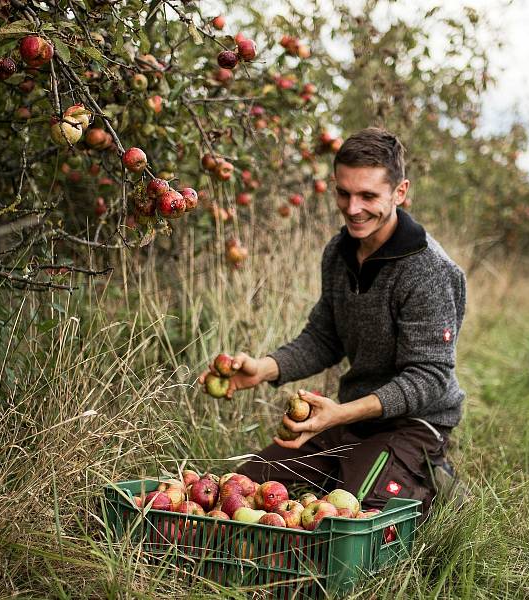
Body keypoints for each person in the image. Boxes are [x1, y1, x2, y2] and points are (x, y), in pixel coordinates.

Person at [198, 127, 467, 514]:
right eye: (344, 192)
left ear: (400, 192)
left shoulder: (428, 271)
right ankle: (354, 467)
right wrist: (263, 369)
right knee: (243, 490)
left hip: (414, 423)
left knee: (355, 516)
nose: (353, 208)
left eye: (368, 196)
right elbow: (324, 337)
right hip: (354, 419)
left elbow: (428, 378)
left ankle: (429, 474)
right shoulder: (339, 253)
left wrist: (340, 413)